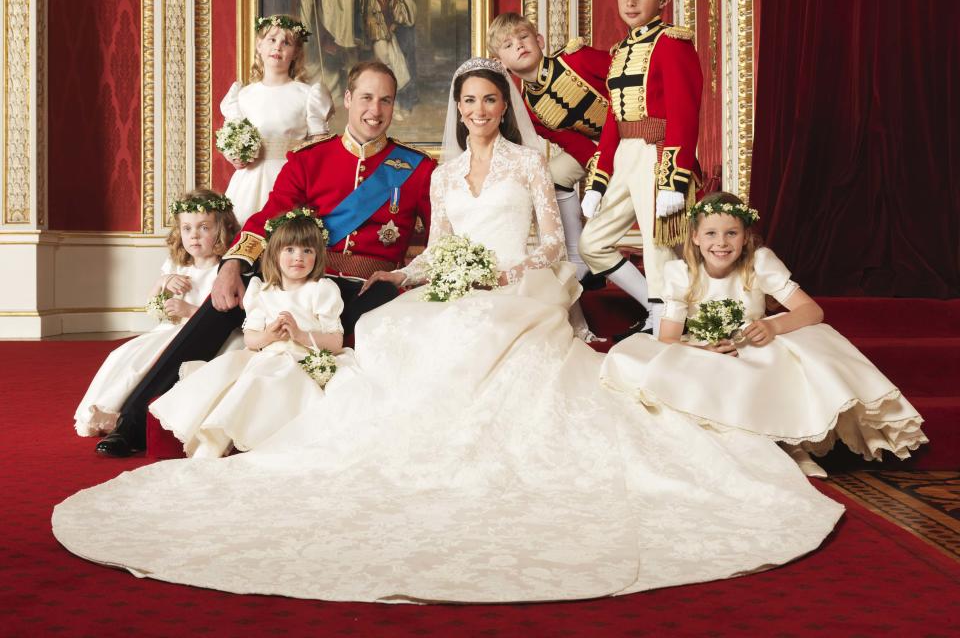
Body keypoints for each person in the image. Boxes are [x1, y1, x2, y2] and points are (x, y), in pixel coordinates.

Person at [55, 60, 843, 603]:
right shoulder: (379, 167)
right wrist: (392, 273)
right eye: (465, 103)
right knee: (383, 326)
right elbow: (421, 245)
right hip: (370, 272)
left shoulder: (488, 166)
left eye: (488, 102)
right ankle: (156, 416)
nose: (476, 112)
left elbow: (544, 244)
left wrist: (486, 272)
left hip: (508, 284)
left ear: (501, 106)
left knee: (442, 330)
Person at [94, 61, 434, 457]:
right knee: (223, 303)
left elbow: (440, 236)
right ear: (347, 99)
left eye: (385, 100)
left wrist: (406, 276)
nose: (374, 110)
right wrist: (232, 266)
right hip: (299, 275)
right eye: (366, 98)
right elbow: (266, 220)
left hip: (365, 289)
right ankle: (134, 422)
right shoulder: (310, 159)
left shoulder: (417, 169)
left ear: (394, 106)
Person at [601, 192, 928, 474]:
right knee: (655, 362)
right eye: (712, 233)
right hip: (706, 347)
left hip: (753, 345)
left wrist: (773, 325)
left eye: (731, 233)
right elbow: (668, 339)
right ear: (696, 237)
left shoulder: (759, 263)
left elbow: (812, 311)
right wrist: (705, 350)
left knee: (792, 351)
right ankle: (743, 448)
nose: (721, 243)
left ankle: (792, 444)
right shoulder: (681, 273)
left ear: (745, 236)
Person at [149, 210, 346, 458]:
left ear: (317, 255)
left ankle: (243, 439)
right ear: (274, 254)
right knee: (226, 376)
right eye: (290, 250)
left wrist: (300, 335)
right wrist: (270, 335)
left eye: (307, 251)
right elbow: (252, 339)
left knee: (266, 380)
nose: (298, 257)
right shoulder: (261, 290)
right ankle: (212, 440)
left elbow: (336, 341)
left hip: (303, 358)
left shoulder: (322, 290)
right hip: (267, 353)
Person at [579, 0, 703, 338]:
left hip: (659, 152)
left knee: (657, 242)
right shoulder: (620, 52)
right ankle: (653, 306)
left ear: (662, 0)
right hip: (625, 155)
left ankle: (664, 318)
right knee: (592, 242)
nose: (630, 2)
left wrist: (673, 180)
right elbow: (613, 121)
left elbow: (685, 114)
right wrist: (598, 182)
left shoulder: (672, 43)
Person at [74, 190, 240, 437]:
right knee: (123, 355)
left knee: (152, 360)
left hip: (199, 335)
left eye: (204, 227)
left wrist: (188, 310)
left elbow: (221, 318)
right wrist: (163, 283)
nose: (194, 235)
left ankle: (122, 416)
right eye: (186, 228)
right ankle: (107, 408)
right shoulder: (177, 266)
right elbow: (154, 306)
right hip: (168, 329)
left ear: (222, 229)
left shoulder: (224, 270)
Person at [489, 12, 614, 282]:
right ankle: (578, 261)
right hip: (598, 148)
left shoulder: (574, 59)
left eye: (523, 38)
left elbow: (623, 83)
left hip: (633, 131)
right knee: (552, 176)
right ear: (500, 63)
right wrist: (602, 169)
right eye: (508, 45)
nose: (519, 46)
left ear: (540, 40)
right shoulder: (530, 108)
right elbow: (574, 143)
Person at [220, 14, 334, 225]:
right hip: (250, 180)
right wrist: (235, 156)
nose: (278, 47)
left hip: (290, 179)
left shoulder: (308, 94)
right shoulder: (243, 96)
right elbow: (232, 137)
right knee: (245, 232)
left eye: (286, 42)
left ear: (296, 52)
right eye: (272, 40)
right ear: (259, 46)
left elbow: (320, 147)